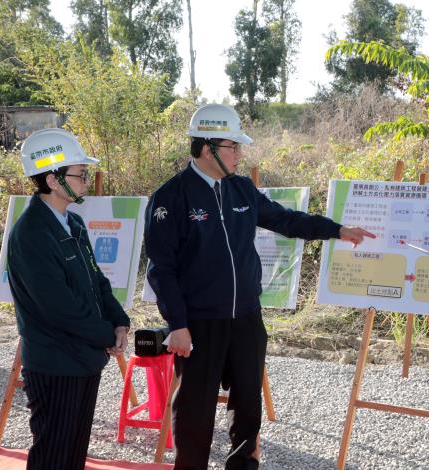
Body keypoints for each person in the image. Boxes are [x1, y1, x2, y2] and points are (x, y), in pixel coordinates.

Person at [145, 103, 375, 470]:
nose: (239, 154)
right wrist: (178, 324)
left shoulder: (241, 189)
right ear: (207, 149)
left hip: (246, 318)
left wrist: (337, 230)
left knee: (248, 408)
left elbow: (286, 220)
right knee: (194, 412)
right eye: (232, 147)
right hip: (199, 323)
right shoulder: (171, 197)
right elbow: (162, 269)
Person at [7, 128, 131, 470]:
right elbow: (59, 308)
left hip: (83, 358)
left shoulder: (72, 222)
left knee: (73, 455)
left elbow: (96, 280)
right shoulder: (31, 233)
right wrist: (106, 335)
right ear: (52, 179)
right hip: (55, 363)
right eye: (80, 174)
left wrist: (119, 322)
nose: (86, 181)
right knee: (54, 457)